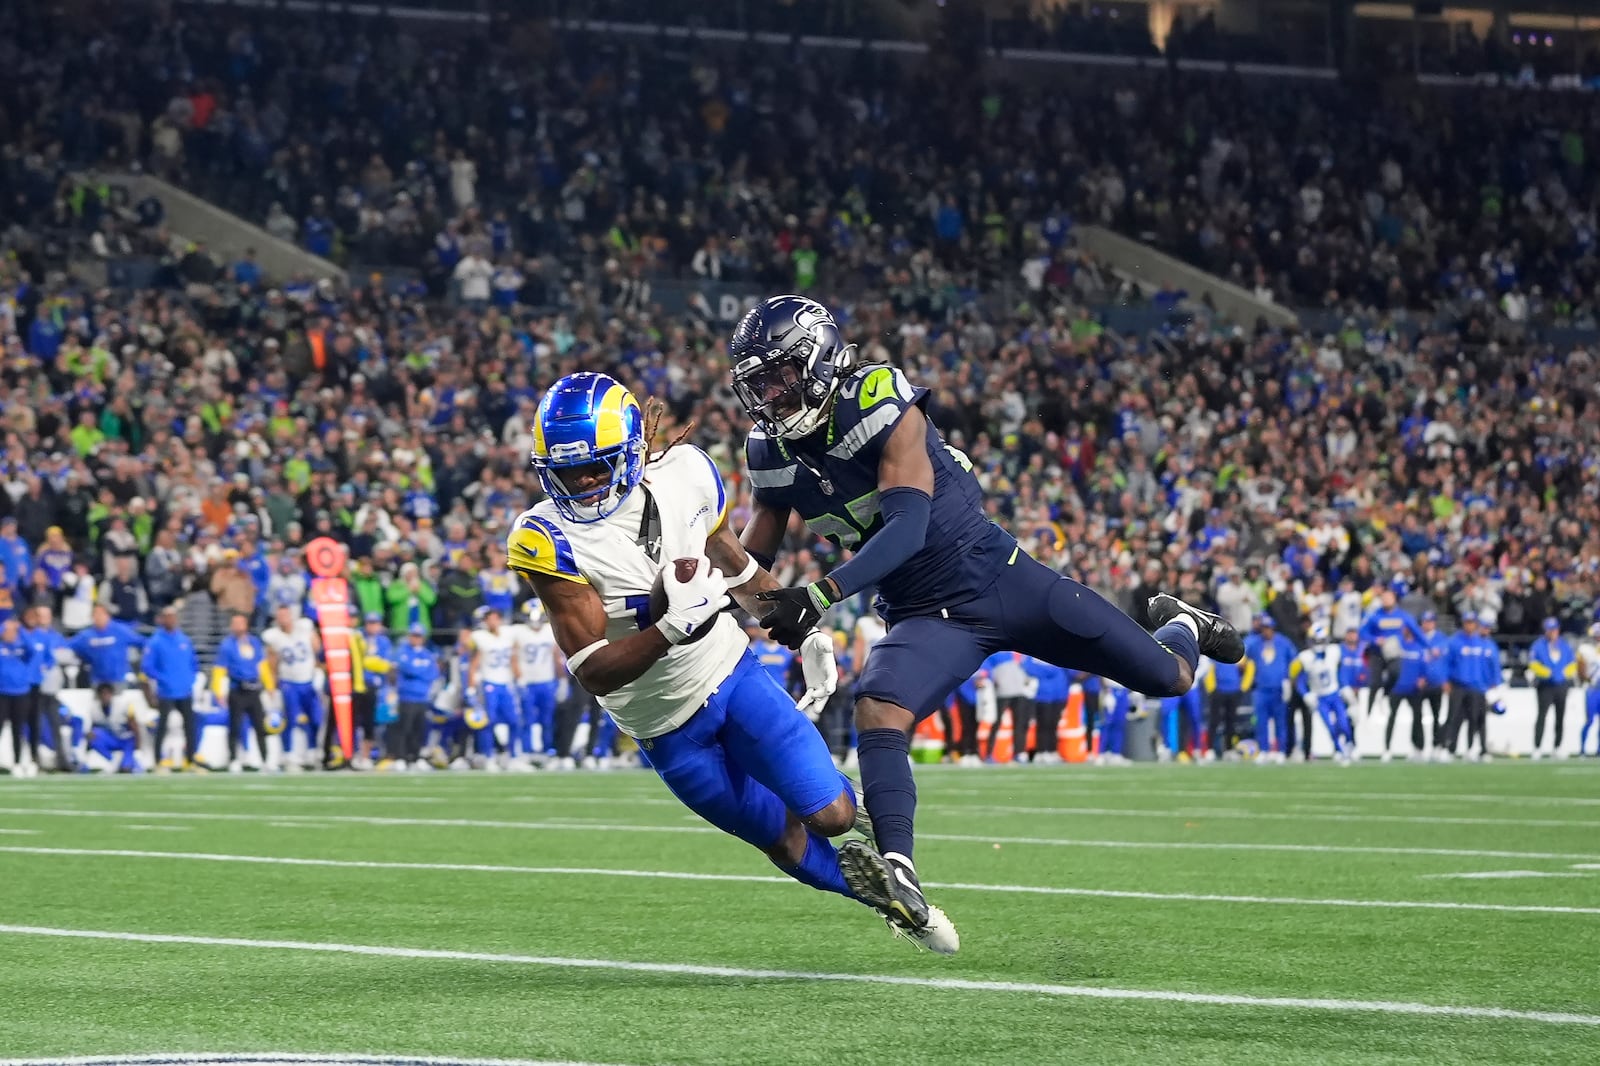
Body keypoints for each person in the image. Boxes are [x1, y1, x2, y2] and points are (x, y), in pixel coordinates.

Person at [728, 296, 1242, 936]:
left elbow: (909, 525)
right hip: (923, 614)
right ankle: (898, 871)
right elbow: (755, 555)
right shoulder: (771, 452)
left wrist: (822, 594)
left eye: (780, 376)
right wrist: (716, 600)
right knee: (878, 706)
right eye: (760, 384)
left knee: (1170, 679)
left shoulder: (879, 397)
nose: (772, 396)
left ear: (821, 357)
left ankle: (1183, 624)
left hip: (1001, 580)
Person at [510, 372, 957, 952]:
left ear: (629, 454)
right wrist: (670, 627)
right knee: (780, 840)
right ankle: (883, 898)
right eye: (567, 472)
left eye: (596, 466)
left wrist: (798, 626)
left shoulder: (686, 475)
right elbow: (592, 667)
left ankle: (850, 805)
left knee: (831, 817)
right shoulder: (547, 537)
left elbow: (736, 565)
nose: (584, 483)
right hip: (664, 728)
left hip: (731, 674)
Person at [262, 604, 324, 770]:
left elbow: (317, 649)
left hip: (308, 680)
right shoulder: (273, 636)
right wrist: (273, 683)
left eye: (285, 615)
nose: (283, 619)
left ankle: (312, 752)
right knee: (290, 719)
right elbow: (271, 662)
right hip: (289, 682)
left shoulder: (305, 627)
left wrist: (318, 668)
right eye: (280, 616)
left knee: (316, 718)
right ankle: (288, 755)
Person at [141, 604, 201, 771]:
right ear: (162, 619)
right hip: (166, 691)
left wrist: (190, 679)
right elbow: (147, 666)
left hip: (184, 690)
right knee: (162, 726)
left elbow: (193, 663)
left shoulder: (184, 640)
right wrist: (163, 679)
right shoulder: (155, 642)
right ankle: (158, 761)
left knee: (190, 725)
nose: (172, 620)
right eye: (168, 617)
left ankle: (190, 760)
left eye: (174, 617)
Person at [213, 612, 273, 773]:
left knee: (260, 727)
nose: (238, 627)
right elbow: (220, 669)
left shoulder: (254, 642)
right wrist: (218, 691)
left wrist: (270, 686)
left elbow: (262, 665)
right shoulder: (227, 645)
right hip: (237, 689)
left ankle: (265, 759)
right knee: (235, 726)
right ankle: (233, 759)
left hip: (254, 690)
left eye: (241, 623)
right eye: (235, 623)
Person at [466, 605, 522, 769]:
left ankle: (511, 757)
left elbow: (513, 656)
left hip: (506, 683)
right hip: (488, 683)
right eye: (489, 618)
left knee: (514, 721)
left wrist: (519, 679)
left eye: (495, 617)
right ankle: (488, 757)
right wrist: (470, 688)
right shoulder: (479, 637)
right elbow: (473, 664)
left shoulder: (508, 634)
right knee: (487, 722)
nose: (493, 621)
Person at [1441, 612, 1499, 763]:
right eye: (1467, 622)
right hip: (1458, 685)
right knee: (1454, 718)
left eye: (1472, 622)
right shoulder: (1454, 642)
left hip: (1477, 687)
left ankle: (1470, 748)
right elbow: (1446, 663)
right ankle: (1449, 748)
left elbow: (1489, 665)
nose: (1470, 625)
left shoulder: (1482, 642)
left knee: (1475, 719)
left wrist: (1492, 682)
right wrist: (1445, 681)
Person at [1292, 623, 1354, 765]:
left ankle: (1350, 744)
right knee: (1330, 727)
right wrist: (1306, 694)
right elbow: (1299, 680)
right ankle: (1339, 750)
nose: (1318, 644)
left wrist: (1345, 687)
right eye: (1316, 640)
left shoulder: (1334, 651)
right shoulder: (1305, 657)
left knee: (1344, 724)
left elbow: (1342, 669)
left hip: (1334, 694)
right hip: (1320, 697)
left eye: (1321, 640)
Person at [22, 605, 72, 772]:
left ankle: (62, 759)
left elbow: (66, 654)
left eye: (46, 615)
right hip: (33, 688)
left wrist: (49, 661)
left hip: (51, 689)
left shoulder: (54, 636)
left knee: (55, 724)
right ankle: (33, 759)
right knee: (33, 725)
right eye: (40, 615)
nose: (44, 619)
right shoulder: (27, 635)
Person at [509, 600, 560, 760]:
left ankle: (547, 751)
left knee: (547, 719)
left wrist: (562, 680)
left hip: (547, 680)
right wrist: (519, 678)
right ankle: (527, 752)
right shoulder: (519, 632)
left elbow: (556, 657)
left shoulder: (549, 630)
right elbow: (514, 657)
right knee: (527, 719)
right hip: (528, 681)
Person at [1242, 615, 1296, 763]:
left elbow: (1294, 663)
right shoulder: (1255, 642)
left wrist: (1289, 682)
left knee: (1281, 721)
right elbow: (1242, 655)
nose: (1266, 632)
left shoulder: (1283, 643)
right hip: (1261, 688)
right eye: (1263, 629)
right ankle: (1264, 750)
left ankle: (1281, 751)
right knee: (1261, 722)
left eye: (1268, 628)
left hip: (1279, 688)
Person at [1527, 617, 1577, 760]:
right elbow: (1533, 663)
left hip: (1561, 685)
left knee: (1560, 717)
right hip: (1545, 686)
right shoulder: (1538, 645)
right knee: (1542, 716)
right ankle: (1537, 747)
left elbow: (1572, 663)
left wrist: (1563, 674)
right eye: (1550, 630)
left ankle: (1558, 746)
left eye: (1554, 629)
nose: (1552, 632)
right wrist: (1546, 673)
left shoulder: (1564, 645)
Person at [393, 623, 440, 770]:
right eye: (414, 635)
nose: (416, 639)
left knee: (419, 729)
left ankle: (415, 757)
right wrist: (420, 670)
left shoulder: (427, 654)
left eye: (419, 636)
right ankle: (401, 757)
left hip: (422, 696)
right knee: (404, 728)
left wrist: (418, 670)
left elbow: (432, 673)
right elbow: (408, 668)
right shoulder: (403, 651)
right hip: (407, 696)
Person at [69, 604, 147, 688]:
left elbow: (142, 642)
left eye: (101, 614)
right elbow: (68, 646)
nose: (98, 617)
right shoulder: (86, 635)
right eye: (95, 614)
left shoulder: (120, 631)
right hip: (97, 681)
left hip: (119, 680)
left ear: (108, 616)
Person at [0, 616, 39, 776]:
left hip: (21, 693)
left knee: (19, 729)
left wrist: (20, 630)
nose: (10, 634)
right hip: (2, 693)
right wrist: (4, 627)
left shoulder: (21, 648)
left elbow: (33, 650)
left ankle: (17, 762)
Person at [1202, 653, 1245, 761]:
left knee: (1231, 721)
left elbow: (1247, 666)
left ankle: (1229, 749)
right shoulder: (1215, 651)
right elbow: (1208, 669)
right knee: (1214, 721)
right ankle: (1209, 749)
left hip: (1233, 690)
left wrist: (1243, 687)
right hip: (1218, 690)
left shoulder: (1236, 650)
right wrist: (1212, 689)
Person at [1578, 623, 1600, 758]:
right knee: (1589, 720)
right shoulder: (1585, 649)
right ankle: (1582, 750)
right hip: (1592, 688)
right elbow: (1580, 669)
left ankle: (1599, 749)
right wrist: (1587, 679)